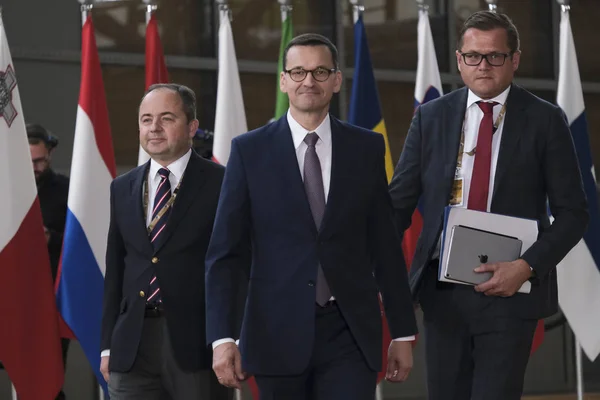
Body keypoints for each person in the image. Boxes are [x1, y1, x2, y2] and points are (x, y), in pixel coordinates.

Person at [205, 33, 417, 400]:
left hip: (349, 331)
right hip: (275, 332)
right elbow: (226, 252)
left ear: (336, 80)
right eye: (298, 71)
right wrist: (222, 338)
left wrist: (402, 332)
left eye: (320, 71)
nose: (309, 81)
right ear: (283, 80)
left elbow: (384, 245)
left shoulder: (366, 147)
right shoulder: (249, 151)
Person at [389, 11, 589, 400]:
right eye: (473, 56)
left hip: (509, 291)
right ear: (459, 61)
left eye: (495, 56)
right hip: (441, 292)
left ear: (514, 60)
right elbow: (397, 205)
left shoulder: (546, 120)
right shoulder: (431, 117)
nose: (483, 65)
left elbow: (574, 213)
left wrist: (526, 267)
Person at [100, 83, 231, 400]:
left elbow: (233, 267)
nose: (154, 128)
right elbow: (116, 270)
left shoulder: (223, 182)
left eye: (167, 118)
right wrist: (107, 345)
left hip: (196, 346)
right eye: (146, 119)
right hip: (132, 345)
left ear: (192, 127)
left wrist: (228, 339)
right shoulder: (122, 186)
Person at [26, 123, 70, 400]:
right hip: (9, 296)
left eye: (40, 160)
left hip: (52, 299)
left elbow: (85, 247)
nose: (34, 167)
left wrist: (49, 239)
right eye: (29, 161)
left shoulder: (67, 189)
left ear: (50, 153)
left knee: (48, 381)